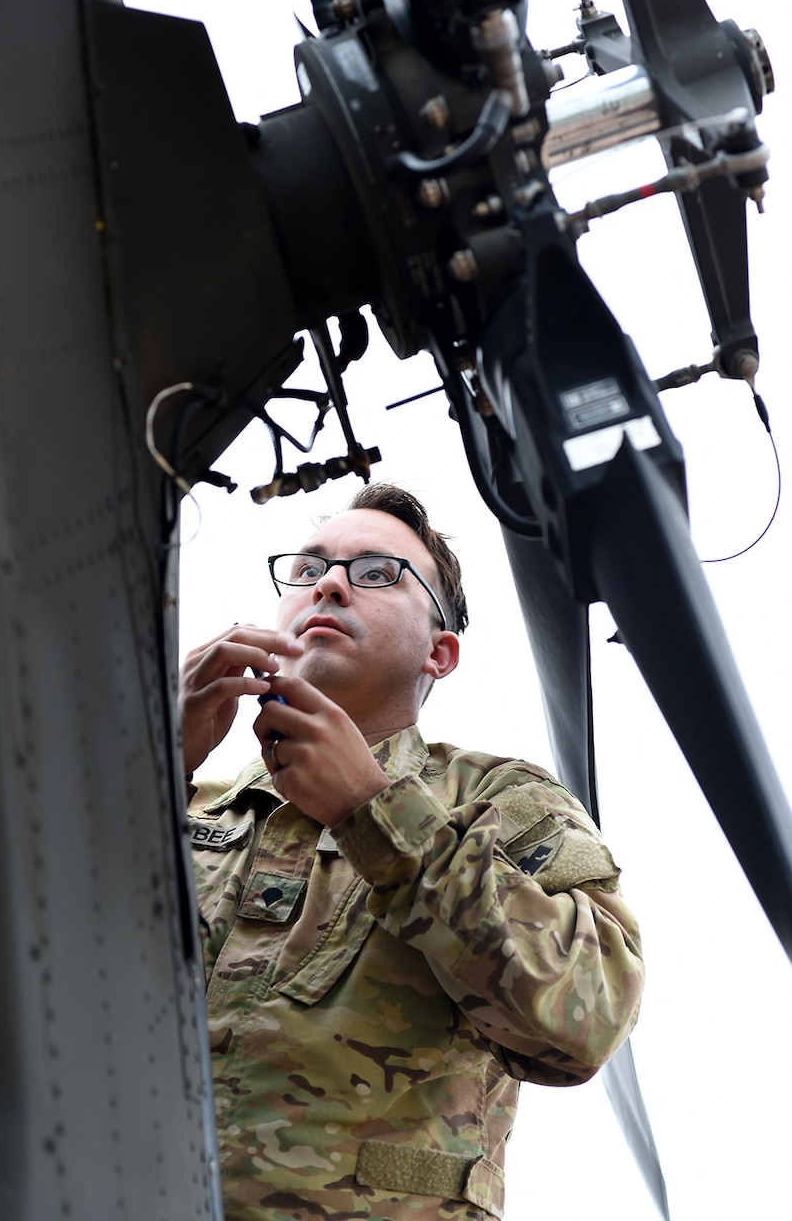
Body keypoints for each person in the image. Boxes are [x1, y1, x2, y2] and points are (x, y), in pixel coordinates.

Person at [179, 483, 643, 1221]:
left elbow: (588, 1015)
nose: (328, 583)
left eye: (376, 573)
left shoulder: (495, 801)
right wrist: (140, 766)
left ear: (440, 651)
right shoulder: (183, 803)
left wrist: (375, 812)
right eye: (308, 568)